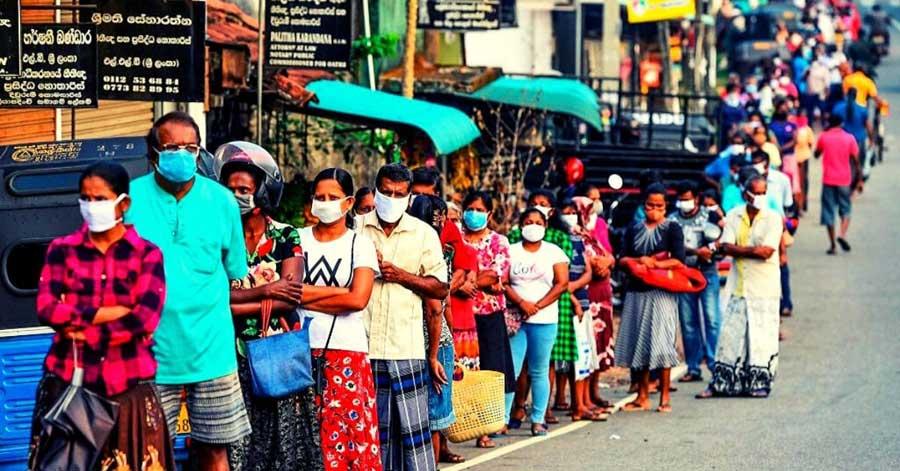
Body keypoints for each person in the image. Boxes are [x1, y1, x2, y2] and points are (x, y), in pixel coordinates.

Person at [30, 162, 175, 471]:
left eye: (100, 199)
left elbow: (145, 319)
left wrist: (81, 329)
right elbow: (46, 307)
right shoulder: (62, 250)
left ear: (124, 203)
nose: (92, 206)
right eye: (86, 198)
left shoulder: (146, 254)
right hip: (69, 388)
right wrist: (106, 313)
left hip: (128, 393)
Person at [126, 112, 251, 470]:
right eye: (172, 147)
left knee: (214, 451)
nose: (182, 155)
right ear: (153, 153)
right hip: (149, 354)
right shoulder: (129, 201)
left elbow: (234, 272)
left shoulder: (223, 201)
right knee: (148, 455)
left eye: (190, 147)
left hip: (212, 351)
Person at [214, 142, 322, 471]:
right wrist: (266, 291)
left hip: (277, 352)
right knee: (236, 445)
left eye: (244, 189)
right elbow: (213, 299)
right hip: (227, 353)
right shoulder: (215, 236)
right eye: (230, 189)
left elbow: (290, 295)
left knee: (286, 443)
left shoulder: (286, 235)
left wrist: (233, 302)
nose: (236, 195)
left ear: (262, 192)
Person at [357, 163, 448, 471]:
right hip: (362, 348)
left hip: (405, 348)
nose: (391, 198)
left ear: (409, 197)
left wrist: (399, 275)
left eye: (398, 194)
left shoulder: (423, 234)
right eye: (385, 192)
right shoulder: (355, 228)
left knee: (414, 435)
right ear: (375, 190)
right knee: (375, 437)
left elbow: (439, 287)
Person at [301, 168, 383, 470]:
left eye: (332, 198)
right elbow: (286, 294)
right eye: (319, 197)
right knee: (307, 439)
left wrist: (305, 293)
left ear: (348, 203)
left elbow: (358, 299)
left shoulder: (359, 243)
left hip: (347, 354)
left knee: (350, 440)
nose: (324, 203)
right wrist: (337, 295)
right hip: (300, 352)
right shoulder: (296, 240)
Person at [698, 174, 782, 398]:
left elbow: (766, 252)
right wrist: (747, 250)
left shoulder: (774, 219)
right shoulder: (735, 214)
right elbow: (725, 246)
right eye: (757, 193)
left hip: (763, 288)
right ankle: (723, 383)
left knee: (761, 335)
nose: (761, 197)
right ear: (746, 194)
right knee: (730, 335)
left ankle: (758, 383)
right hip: (739, 285)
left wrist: (737, 249)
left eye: (764, 193)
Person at [615, 183, 685, 413]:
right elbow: (622, 258)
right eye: (649, 205)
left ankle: (665, 397)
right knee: (640, 343)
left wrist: (654, 263)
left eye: (659, 206)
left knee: (663, 344)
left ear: (666, 207)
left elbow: (678, 260)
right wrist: (635, 263)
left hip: (662, 292)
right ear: (643, 205)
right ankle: (642, 395)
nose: (653, 210)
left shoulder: (672, 229)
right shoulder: (634, 229)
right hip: (637, 290)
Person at [507, 190, 575, 421]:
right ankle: (504, 419)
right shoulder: (511, 250)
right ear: (521, 225)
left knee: (539, 370)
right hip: (516, 321)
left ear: (545, 226)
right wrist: (521, 303)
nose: (533, 226)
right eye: (528, 222)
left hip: (544, 320)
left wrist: (537, 305)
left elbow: (562, 283)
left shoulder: (554, 251)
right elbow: (503, 281)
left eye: (538, 223)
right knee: (513, 370)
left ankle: (538, 419)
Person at [407, 195, 462, 465]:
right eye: (439, 216)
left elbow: (440, 305)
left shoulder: (427, 250)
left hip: (424, 337)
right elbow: (440, 305)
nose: (442, 222)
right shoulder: (436, 251)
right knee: (434, 410)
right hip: (432, 339)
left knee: (425, 411)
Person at [460, 191, 515, 447]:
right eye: (469, 208)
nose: (474, 213)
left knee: (490, 369)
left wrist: (465, 284)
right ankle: (462, 424)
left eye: (479, 209)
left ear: (490, 214)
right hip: (459, 316)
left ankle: (485, 427)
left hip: (489, 313)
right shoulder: (455, 240)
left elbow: (496, 274)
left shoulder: (498, 241)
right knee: (465, 371)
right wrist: (478, 282)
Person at [559, 199, 609, 420]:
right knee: (575, 357)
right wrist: (570, 294)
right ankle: (577, 405)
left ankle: (583, 402)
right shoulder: (558, 242)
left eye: (573, 213)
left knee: (586, 355)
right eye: (565, 213)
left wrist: (575, 288)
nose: (570, 216)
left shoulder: (580, 239)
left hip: (584, 301)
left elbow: (588, 271)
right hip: (568, 305)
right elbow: (559, 279)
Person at [669, 181, 722, 383]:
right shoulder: (672, 220)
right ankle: (693, 367)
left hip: (707, 271)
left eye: (687, 199)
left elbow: (722, 239)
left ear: (697, 199)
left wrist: (711, 250)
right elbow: (674, 247)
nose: (684, 203)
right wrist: (694, 251)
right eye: (681, 199)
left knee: (712, 319)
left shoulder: (710, 216)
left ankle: (715, 363)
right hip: (684, 274)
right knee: (688, 322)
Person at [815, 114, 861, 254]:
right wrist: (859, 179)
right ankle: (842, 234)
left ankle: (833, 246)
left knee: (828, 211)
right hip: (844, 180)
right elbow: (856, 160)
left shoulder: (824, 136)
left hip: (828, 179)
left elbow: (817, 154)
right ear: (841, 123)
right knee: (845, 209)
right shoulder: (849, 138)